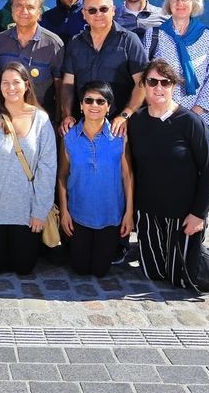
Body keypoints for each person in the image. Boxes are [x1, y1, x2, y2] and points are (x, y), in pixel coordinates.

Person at [127, 60, 209, 289]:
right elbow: (130, 170)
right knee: (153, 273)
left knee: (182, 279)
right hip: (148, 213)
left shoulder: (190, 122)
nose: (159, 87)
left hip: (184, 213)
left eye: (165, 82)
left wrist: (199, 214)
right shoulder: (136, 121)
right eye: (152, 82)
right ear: (144, 85)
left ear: (173, 86)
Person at [0, 63, 56, 275]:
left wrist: (39, 211)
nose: (11, 87)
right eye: (5, 82)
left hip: (26, 212)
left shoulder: (41, 120)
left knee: (23, 267)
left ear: (26, 85)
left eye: (16, 82)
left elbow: (48, 168)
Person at [58, 81, 134, 277]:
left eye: (101, 101)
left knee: (100, 271)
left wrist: (129, 213)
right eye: (89, 100)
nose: (94, 105)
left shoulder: (120, 136)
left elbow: (127, 175)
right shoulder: (69, 137)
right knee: (80, 269)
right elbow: (63, 176)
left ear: (108, 107)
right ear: (81, 105)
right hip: (78, 213)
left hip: (110, 214)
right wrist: (64, 212)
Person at [59, 0, 148, 137]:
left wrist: (126, 115)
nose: (98, 14)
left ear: (113, 10)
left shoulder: (130, 40)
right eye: (92, 10)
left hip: (120, 127)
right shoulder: (75, 43)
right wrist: (66, 115)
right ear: (84, 14)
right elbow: (67, 83)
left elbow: (142, 82)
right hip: (83, 127)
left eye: (103, 9)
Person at [146, 0, 209, 126]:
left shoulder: (206, 36)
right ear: (168, 3)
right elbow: (143, 78)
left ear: (194, 3)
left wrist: (194, 114)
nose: (180, 3)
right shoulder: (154, 35)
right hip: (161, 117)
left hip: (197, 119)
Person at [0, 0, 65, 120]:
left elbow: (60, 86)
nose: (24, 11)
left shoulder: (53, 44)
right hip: (6, 118)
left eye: (30, 7)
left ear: (39, 12)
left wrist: (58, 120)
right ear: (12, 10)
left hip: (41, 119)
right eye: (19, 6)